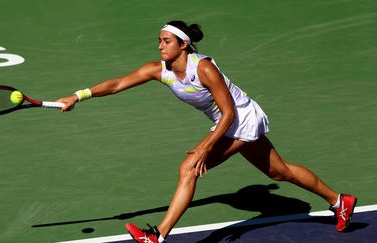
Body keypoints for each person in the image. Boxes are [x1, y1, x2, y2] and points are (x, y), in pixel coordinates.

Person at [57, 20, 357, 243]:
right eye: (159, 41)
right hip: (228, 122)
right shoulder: (158, 69)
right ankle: (338, 200)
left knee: (188, 168)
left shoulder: (203, 69)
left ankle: (158, 236)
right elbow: (118, 84)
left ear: (183, 45)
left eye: (165, 41)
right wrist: (78, 95)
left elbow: (229, 113)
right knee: (279, 172)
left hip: (241, 118)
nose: (160, 46)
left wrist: (204, 148)